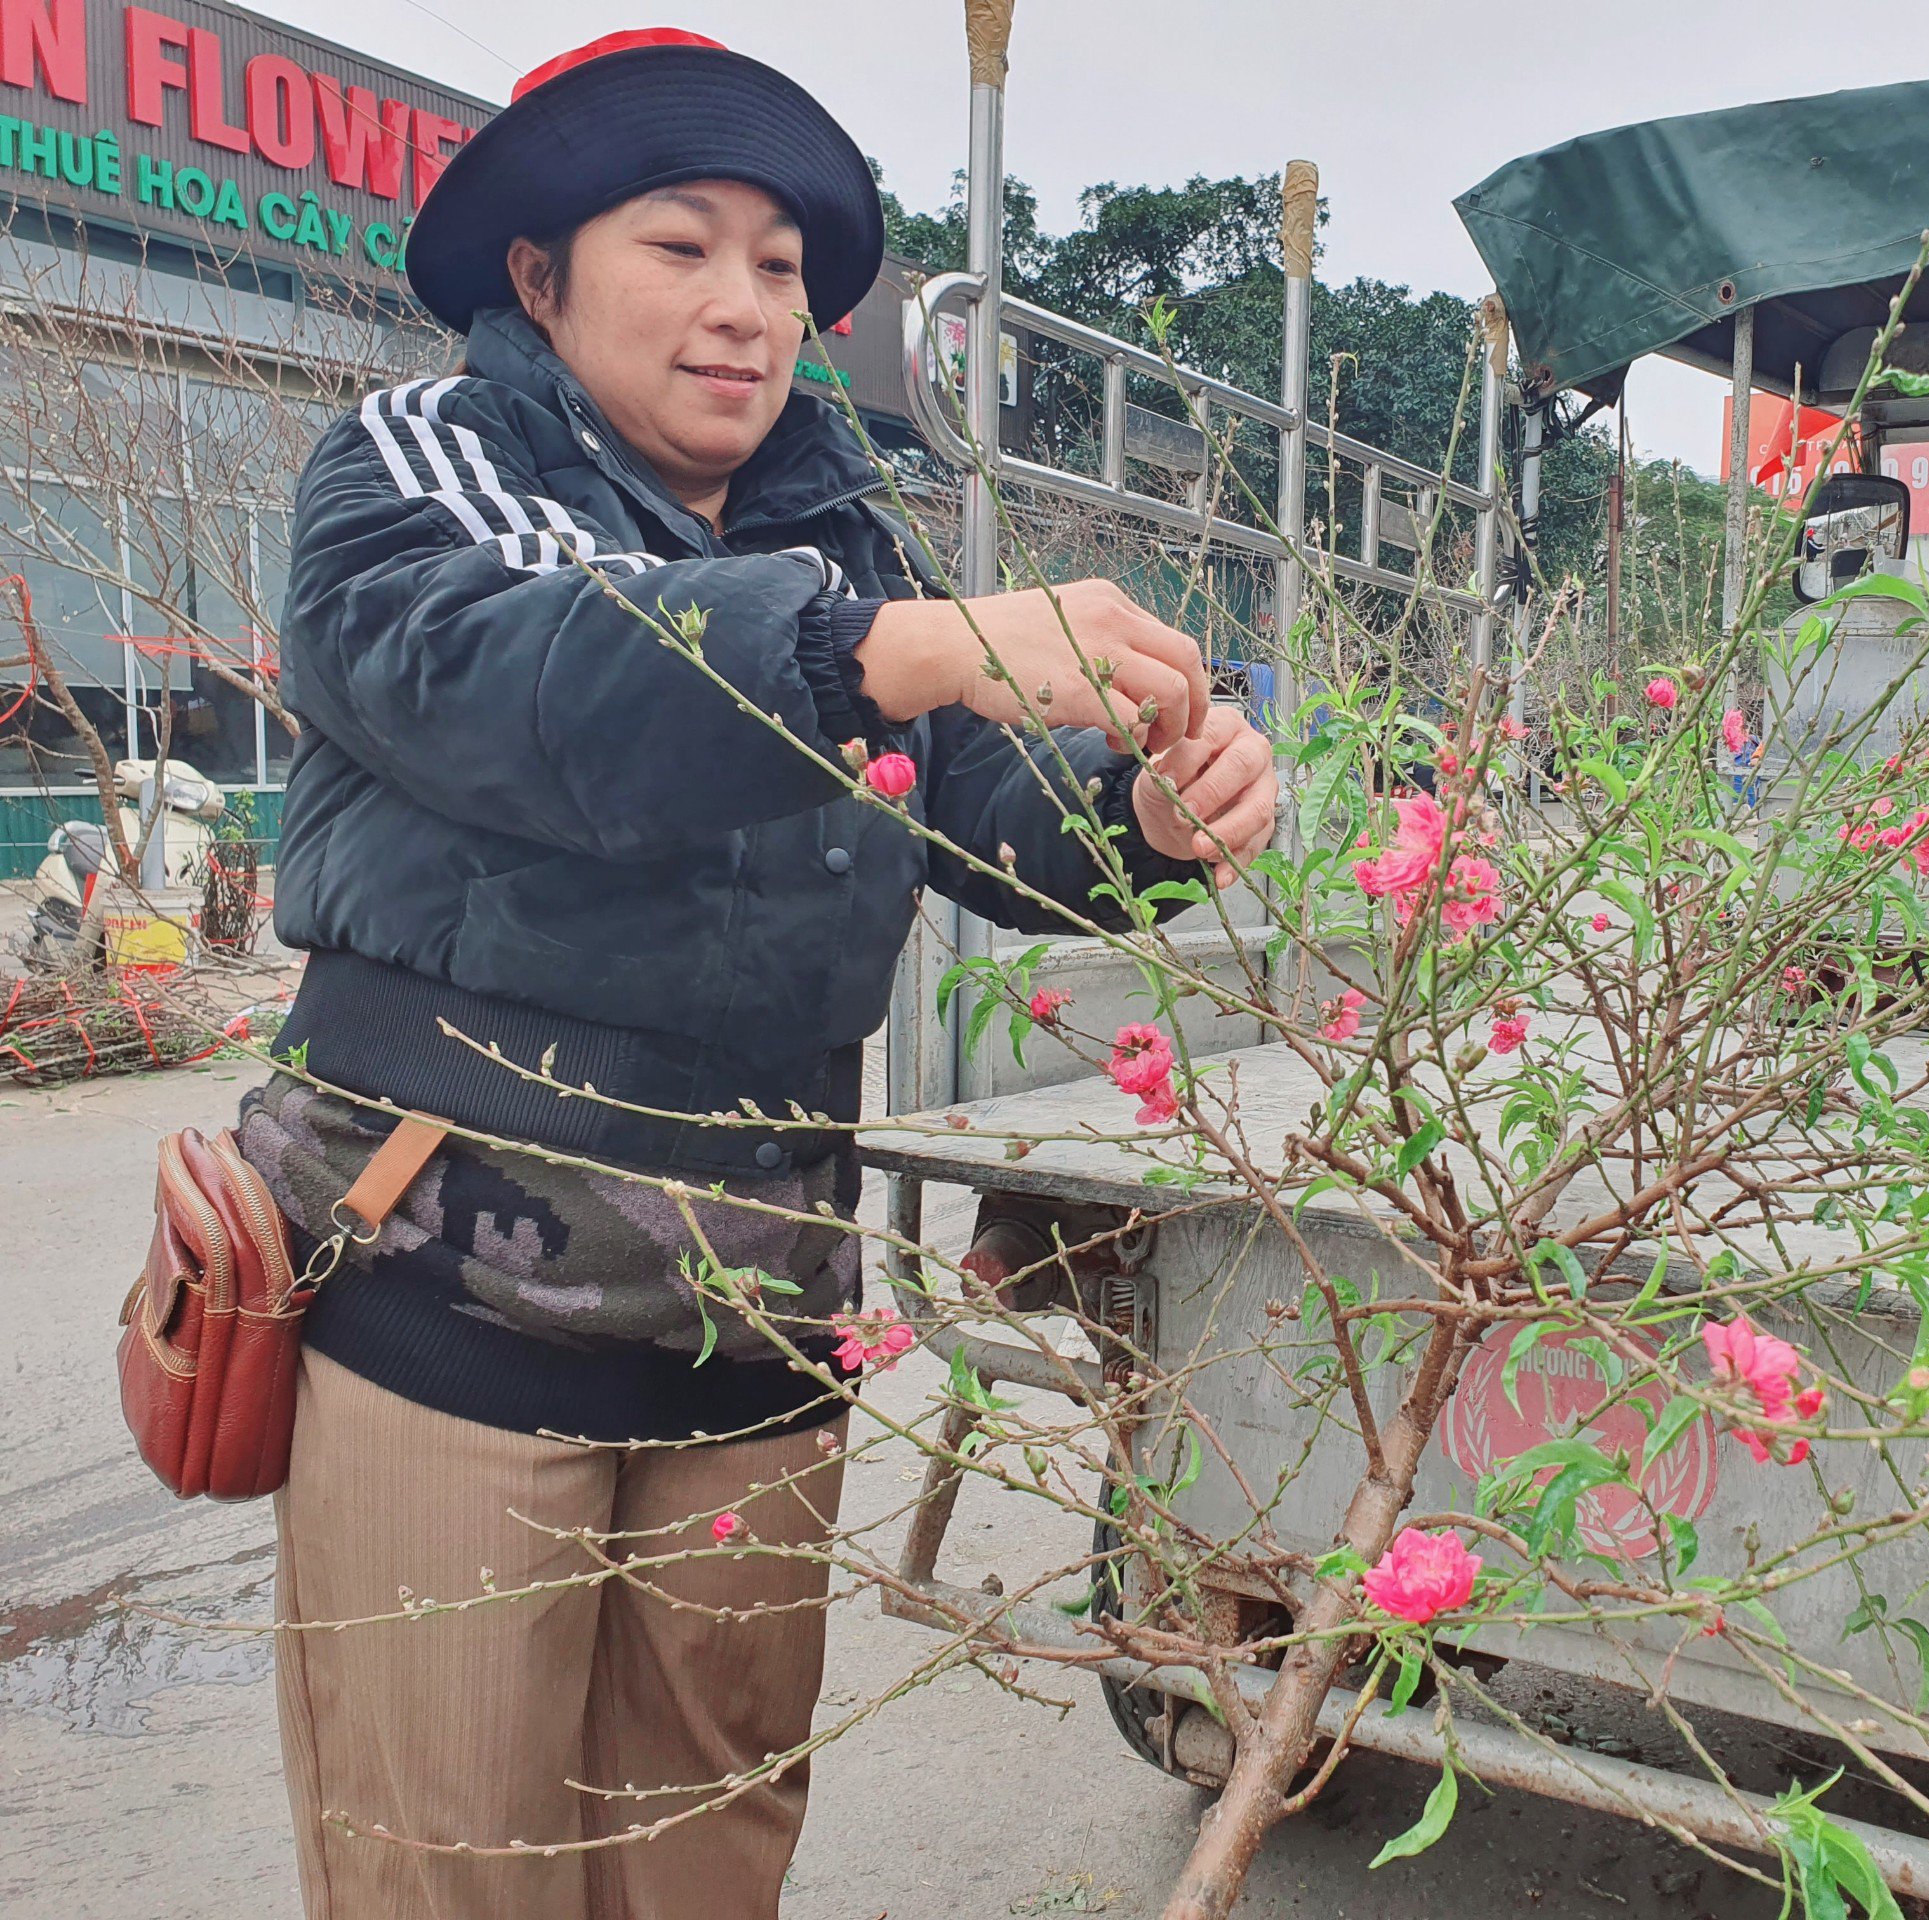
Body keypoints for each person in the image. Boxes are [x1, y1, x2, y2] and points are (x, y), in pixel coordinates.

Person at [238, 29, 1276, 1919]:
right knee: (450, 1865)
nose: (746, 309)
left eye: (782, 267)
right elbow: (541, 672)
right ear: (539, 279)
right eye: (683, 247)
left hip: (758, 1324)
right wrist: (898, 645)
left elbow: (990, 812)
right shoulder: (421, 465)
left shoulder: (838, 533)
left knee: (712, 1843)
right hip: (443, 1310)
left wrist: (1153, 808)